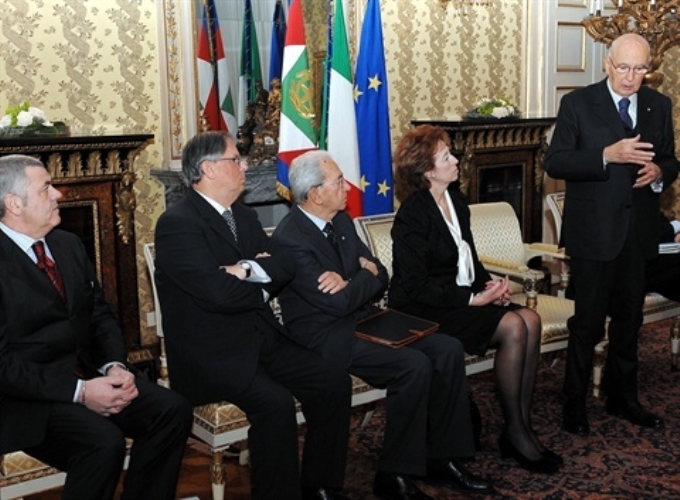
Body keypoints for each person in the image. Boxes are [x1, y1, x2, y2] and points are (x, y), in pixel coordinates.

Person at [271, 150, 493, 500]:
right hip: (325, 336)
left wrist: (358, 278)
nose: (347, 187)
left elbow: (382, 274)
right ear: (315, 194)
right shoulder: (290, 238)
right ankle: (395, 474)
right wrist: (363, 275)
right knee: (413, 366)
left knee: (447, 348)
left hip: (366, 318)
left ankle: (442, 458)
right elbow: (339, 301)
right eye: (338, 182)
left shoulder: (340, 221)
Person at [153, 131, 352, 500]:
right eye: (236, 159)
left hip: (261, 337)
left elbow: (285, 264)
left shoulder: (243, 216)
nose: (244, 166)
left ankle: (320, 485)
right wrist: (258, 277)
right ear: (209, 169)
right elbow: (215, 292)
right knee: (275, 404)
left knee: (332, 381)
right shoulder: (178, 223)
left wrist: (243, 269)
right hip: (212, 353)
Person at [0, 154, 193, 500]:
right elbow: (3, 366)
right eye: (46, 188)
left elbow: (100, 316)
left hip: (87, 374)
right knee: (103, 443)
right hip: (24, 400)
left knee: (171, 411)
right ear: (14, 204)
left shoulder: (68, 244)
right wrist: (80, 392)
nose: (58, 194)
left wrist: (114, 365)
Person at [388, 125, 561, 474]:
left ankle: (520, 425)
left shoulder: (456, 202)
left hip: (458, 299)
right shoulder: (412, 215)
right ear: (427, 171)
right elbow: (416, 285)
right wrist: (472, 300)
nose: (456, 160)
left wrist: (490, 285)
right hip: (425, 309)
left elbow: (469, 259)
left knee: (531, 319)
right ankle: (516, 434)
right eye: (446, 157)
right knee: (514, 325)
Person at [545, 33, 679, 436]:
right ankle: (574, 401)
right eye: (623, 67)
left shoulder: (659, 105)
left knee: (628, 322)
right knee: (586, 324)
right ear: (607, 64)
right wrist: (605, 155)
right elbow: (556, 162)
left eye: (639, 69)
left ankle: (623, 398)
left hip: (638, 234)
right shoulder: (577, 103)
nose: (630, 77)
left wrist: (660, 173)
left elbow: (670, 159)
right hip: (593, 234)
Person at [645, 212, 680, 301]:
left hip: (661, 261)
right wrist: (676, 226)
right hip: (638, 267)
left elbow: (662, 225)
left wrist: (677, 233)